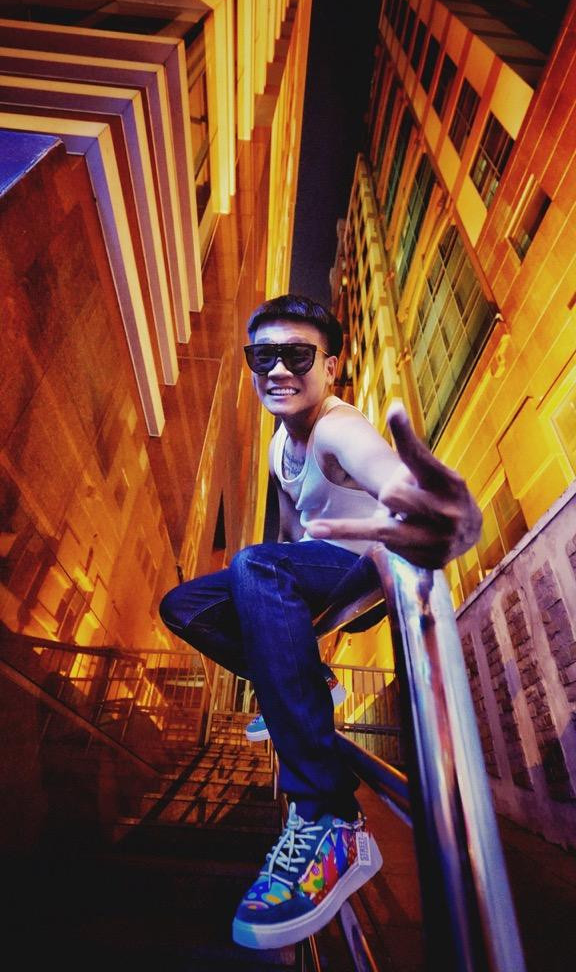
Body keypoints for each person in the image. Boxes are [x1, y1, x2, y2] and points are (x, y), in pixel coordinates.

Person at [159, 294, 482, 950]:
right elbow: (288, 534)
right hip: (315, 568)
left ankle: (330, 816)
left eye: (298, 355)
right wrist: (276, 603)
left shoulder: (338, 428)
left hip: (364, 566)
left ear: (330, 366)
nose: (278, 369)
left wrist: (433, 510)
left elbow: (388, 475)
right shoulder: (281, 443)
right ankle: (310, 681)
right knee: (184, 605)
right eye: (264, 357)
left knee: (255, 565)